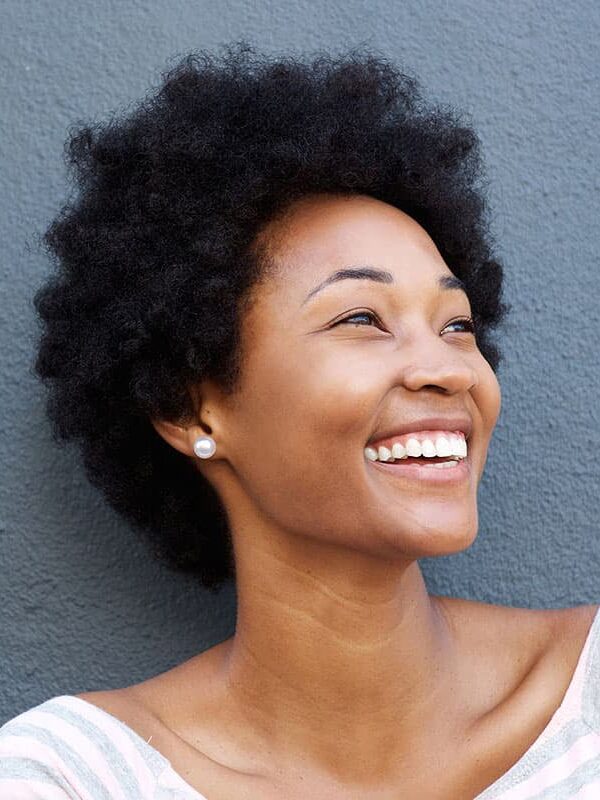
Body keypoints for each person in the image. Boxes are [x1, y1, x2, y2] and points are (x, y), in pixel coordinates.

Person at [1, 41, 598, 800]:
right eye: (361, 318)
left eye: (456, 324)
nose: (448, 369)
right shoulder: (66, 780)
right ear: (189, 406)